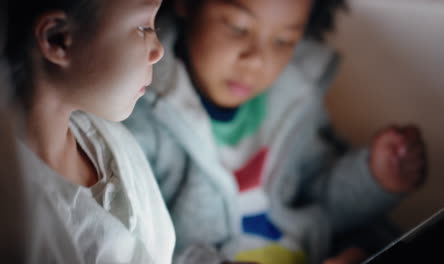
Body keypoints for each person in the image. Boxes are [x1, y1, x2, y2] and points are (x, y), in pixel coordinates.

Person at [124, 0, 427, 263]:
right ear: (187, 4)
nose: (257, 60)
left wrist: (374, 178)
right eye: (238, 27)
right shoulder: (139, 111)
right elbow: (126, 244)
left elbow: (320, 204)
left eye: (283, 41)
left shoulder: (295, 99)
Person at [4, 0, 175, 263]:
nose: (159, 51)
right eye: (143, 27)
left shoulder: (112, 142)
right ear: (57, 39)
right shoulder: (17, 219)